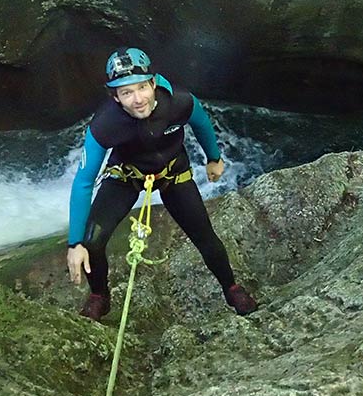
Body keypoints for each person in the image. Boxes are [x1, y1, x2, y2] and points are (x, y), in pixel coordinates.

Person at [66, 47, 257, 320]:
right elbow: (84, 181)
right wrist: (75, 243)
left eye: (142, 88)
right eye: (126, 93)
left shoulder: (179, 101)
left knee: (204, 236)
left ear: (153, 83)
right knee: (92, 241)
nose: (137, 99)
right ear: (115, 97)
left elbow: (202, 124)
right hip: (127, 177)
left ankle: (231, 287)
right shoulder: (105, 125)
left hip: (173, 174)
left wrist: (213, 158)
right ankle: (99, 295)